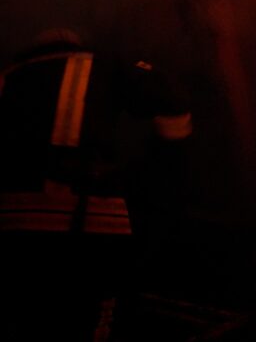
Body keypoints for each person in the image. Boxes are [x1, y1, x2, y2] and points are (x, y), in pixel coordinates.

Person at [0, 28, 193, 340]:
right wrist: (164, 162)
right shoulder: (103, 65)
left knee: (25, 322)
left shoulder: (8, 77)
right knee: (89, 323)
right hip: (90, 222)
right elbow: (171, 98)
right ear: (75, 46)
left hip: (13, 229)